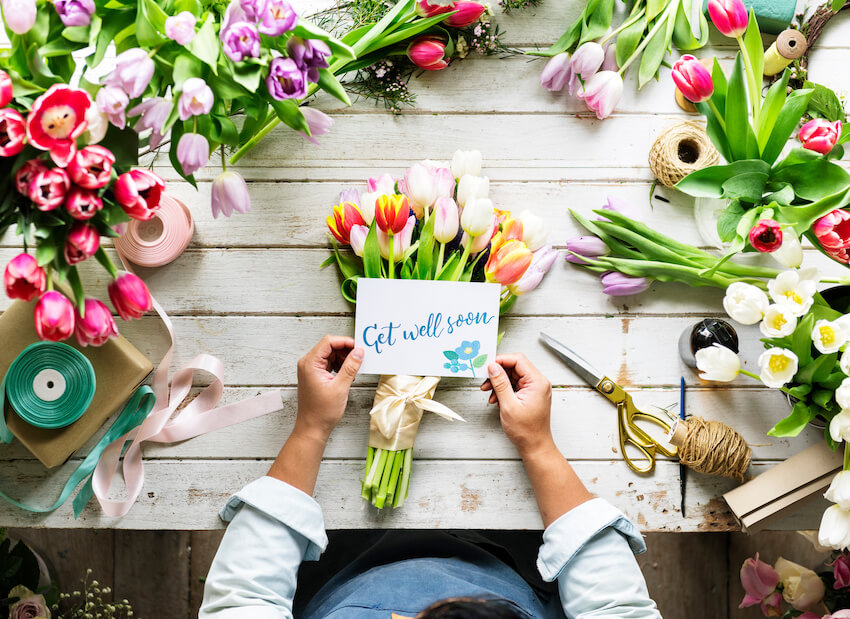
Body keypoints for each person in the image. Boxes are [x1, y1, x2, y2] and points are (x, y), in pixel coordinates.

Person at [199, 335, 661, 618]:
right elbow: (613, 608)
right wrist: (538, 444)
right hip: (514, 560)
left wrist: (310, 428)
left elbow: (244, 601)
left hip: (336, 562)